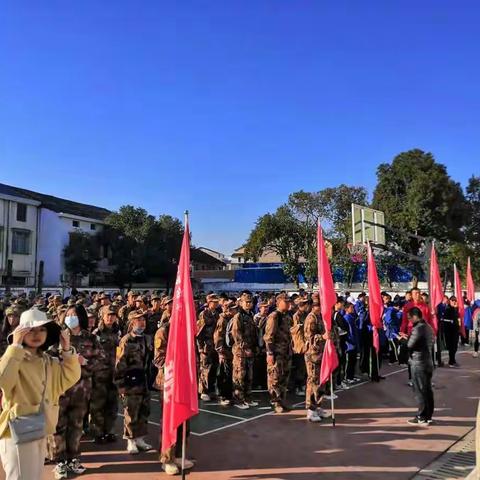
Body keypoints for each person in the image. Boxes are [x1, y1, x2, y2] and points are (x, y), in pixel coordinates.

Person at [0, 308, 81, 480]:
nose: (37, 334)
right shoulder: (14, 358)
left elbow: (70, 377)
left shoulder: (48, 361)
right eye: (31, 330)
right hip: (17, 431)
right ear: (20, 332)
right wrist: (14, 346)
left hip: (40, 428)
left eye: (42, 329)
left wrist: (67, 350)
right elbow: (3, 380)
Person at [49, 304, 100, 479]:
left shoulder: (91, 338)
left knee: (77, 425)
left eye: (74, 314)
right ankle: (60, 461)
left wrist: (85, 362)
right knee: (59, 425)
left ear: (81, 317)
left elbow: (101, 362)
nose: (71, 317)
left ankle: (73, 458)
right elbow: (49, 360)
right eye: (68, 314)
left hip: (82, 389)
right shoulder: (59, 337)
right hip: (61, 388)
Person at [153, 306, 194, 476]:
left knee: (184, 420)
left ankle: (178, 455)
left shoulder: (185, 331)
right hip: (169, 382)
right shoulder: (163, 331)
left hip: (184, 381)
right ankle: (167, 459)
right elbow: (159, 359)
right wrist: (176, 364)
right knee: (170, 422)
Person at [114, 310, 153, 455]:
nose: (142, 323)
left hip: (144, 381)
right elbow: (119, 363)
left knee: (144, 411)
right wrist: (120, 385)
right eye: (138, 320)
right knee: (131, 412)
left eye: (143, 320)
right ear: (131, 323)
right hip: (130, 383)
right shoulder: (126, 340)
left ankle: (140, 439)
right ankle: (131, 440)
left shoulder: (147, 339)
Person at [90, 305, 120, 444]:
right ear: (102, 316)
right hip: (99, 375)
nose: (110, 317)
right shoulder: (96, 334)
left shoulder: (118, 332)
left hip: (114, 374)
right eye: (108, 315)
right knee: (98, 406)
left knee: (112, 405)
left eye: (113, 315)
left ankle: (109, 431)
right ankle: (98, 432)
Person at [401, 307, 434, 425]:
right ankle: (428, 415)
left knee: (420, 390)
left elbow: (410, 345)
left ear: (415, 316)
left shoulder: (418, 328)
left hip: (418, 362)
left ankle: (421, 416)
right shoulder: (428, 327)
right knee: (427, 390)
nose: (409, 320)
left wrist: (403, 340)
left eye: (410, 318)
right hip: (428, 361)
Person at [264, 293, 292, 413]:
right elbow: (268, 336)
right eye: (285, 301)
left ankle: (282, 400)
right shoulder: (274, 316)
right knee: (274, 378)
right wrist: (270, 353)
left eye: (288, 301)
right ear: (278, 302)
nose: (288, 303)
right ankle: (275, 402)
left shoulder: (287, 316)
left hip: (286, 352)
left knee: (284, 378)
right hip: (276, 353)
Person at [303, 296, 329, 422]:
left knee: (321, 382)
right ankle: (311, 410)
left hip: (321, 354)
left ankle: (318, 406)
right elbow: (309, 337)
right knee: (313, 382)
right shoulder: (311, 318)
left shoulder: (319, 317)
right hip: (313, 355)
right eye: (319, 305)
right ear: (314, 306)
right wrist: (322, 337)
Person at [231, 293, 258, 409]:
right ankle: (238, 400)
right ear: (241, 303)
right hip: (240, 352)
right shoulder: (238, 316)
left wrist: (254, 347)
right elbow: (237, 335)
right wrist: (245, 348)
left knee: (249, 376)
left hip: (250, 351)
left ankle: (247, 397)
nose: (249, 304)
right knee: (239, 376)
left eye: (250, 302)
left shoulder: (250, 315)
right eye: (246, 302)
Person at [196, 294, 220, 401]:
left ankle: (211, 390)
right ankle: (203, 391)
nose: (215, 303)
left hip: (215, 346)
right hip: (206, 346)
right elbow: (199, 333)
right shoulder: (204, 314)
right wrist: (200, 347)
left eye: (216, 302)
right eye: (213, 302)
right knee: (205, 368)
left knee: (214, 368)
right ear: (209, 302)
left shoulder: (217, 314)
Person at [214, 300, 237, 406]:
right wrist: (220, 352)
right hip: (224, 351)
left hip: (230, 351)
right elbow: (218, 337)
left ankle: (228, 394)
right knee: (224, 374)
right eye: (233, 308)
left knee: (228, 373)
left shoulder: (232, 318)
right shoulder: (223, 320)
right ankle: (223, 396)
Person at [289, 297, 309, 395]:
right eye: (304, 304)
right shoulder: (296, 316)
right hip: (299, 345)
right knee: (299, 367)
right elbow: (296, 332)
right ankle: (297, 387)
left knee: (304, 367)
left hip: (305, 343)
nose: (306, 306)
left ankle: (302, 385)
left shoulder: (306, 315)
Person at [442, 296, 461, 367]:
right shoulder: (448, 309)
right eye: (453, 300)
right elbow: (448, 319)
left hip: (455, 330)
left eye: (455, 300)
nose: (454, 302)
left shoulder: (455, 308)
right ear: (450, 301)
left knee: (455, 346)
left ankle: (453, 360)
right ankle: (451, 361)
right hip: (449, 331)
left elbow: (457, 318)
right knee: (451, 347)